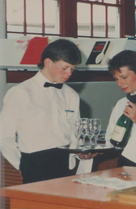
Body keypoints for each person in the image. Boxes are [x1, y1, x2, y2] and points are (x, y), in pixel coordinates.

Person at [0, 39, 83, 183]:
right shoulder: (20, 93)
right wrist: (21, 164)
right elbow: (4, 136)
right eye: (64, 68)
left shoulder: (72, 95)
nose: (69, 73)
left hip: (65, 164)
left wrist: (74, 157)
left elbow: (76, 132)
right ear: (48, 63)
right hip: (34, 164)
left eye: (72, 69)